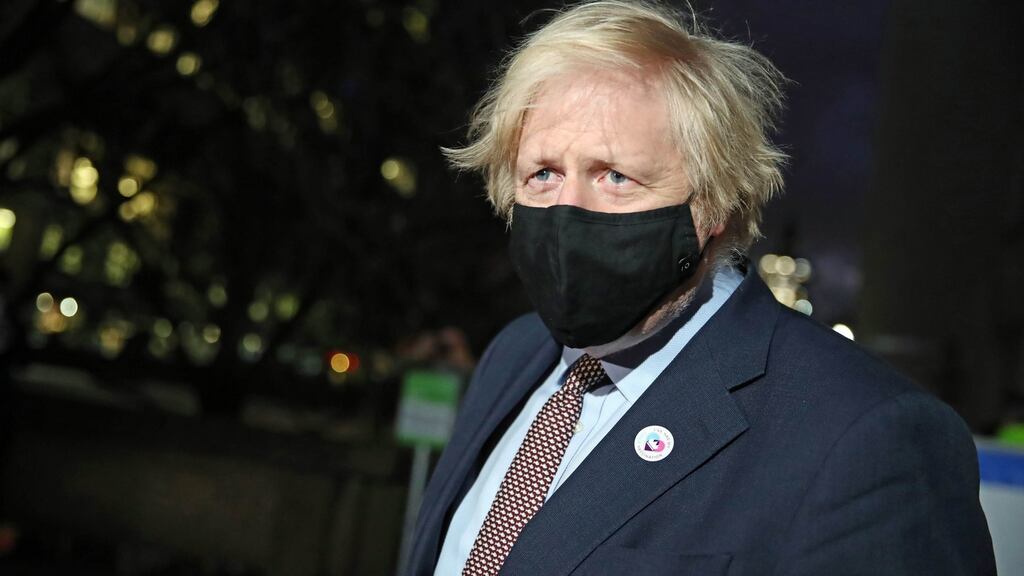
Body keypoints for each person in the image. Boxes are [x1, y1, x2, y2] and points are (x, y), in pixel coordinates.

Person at [406, 1, 996, 574]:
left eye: (615, 176)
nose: (567, 212)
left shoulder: (869, 440)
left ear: (712, 202)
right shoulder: (514, 354)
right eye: (543, 174)